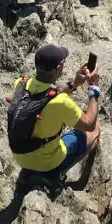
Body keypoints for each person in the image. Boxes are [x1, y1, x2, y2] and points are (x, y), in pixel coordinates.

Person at [6, 43, 101, 190]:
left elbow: (46, 96)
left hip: (21, 156)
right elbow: (90, 124)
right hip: (47, 163)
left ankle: (30, 171)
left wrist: (74, 84)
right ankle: (67, 178)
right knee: (95, 131)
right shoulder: (61, 103)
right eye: (63, 63)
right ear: (58, 68)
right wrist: (93, 88)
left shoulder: (21, 84)